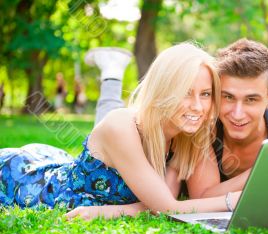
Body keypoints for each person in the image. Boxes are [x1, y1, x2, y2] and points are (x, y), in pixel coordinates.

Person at [0, 43, 241, 219]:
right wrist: (233, 201)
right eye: (186, 92)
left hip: (82, 173)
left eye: (206, 94)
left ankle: (111, 70)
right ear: (164, 89)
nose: (198, 106)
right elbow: (167, 207)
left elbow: (167, 203)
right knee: (112, 115)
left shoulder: (189, 134)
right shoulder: (122, 126)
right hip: (30, 184)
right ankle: (111, 71)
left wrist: (113, 211)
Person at [186, 39, 268, 199]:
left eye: (251, 99)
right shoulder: (205, 130)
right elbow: (202, 198)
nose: (238, 114)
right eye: (228, 97)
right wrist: (265, 169)